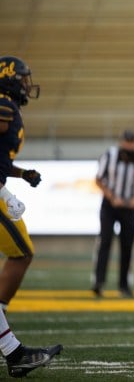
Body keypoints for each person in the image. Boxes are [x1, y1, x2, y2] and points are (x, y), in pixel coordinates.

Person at [0, 55, 63, 377]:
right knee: (22, 252)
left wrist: (20, 174)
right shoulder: (4, 105)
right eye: (22, 78)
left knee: (22, 252)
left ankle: (14, 353)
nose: (27, 84)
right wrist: (4, 192)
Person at [92, 129, 134, 298]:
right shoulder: (110, 155)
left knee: (127, 245)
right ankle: (98, 283)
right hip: (110, 205)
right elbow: (98, 179)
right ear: (121, 141)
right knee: (105, 240)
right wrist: (112, 197)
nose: (128, 145)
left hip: (130, 206)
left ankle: (124, 285)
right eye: (126, 142)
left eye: (131, 142)